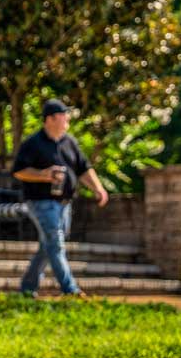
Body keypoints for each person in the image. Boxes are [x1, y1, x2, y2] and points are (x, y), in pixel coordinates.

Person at [11, 99, 109, 296]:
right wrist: (43, 175)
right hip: (40, 202)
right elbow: (18, 171)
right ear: (50, 119)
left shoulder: (69, 142)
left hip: (64, 204)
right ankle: (70, 290)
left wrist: (98, 188)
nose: (67, 120)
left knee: (48, 246)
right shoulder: (33, 143)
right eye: (64, 116)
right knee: (55, 244)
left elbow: (83, 169)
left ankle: (27, 288)